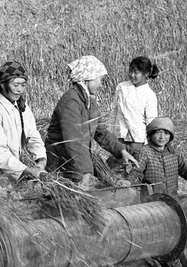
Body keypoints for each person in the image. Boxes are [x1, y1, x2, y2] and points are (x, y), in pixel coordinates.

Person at [45, 55, 139, 189]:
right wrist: (84, 173)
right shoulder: (71, 102)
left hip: (76, 164)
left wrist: (121, 150)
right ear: (88, 78)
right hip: (62, 166)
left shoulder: (90, 102)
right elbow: (73, 141)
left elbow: (101, 132)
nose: (101, 84)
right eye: (100, 79)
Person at [0, 60, 47, 187]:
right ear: (2, 84)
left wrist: (41, 161)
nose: (19, 90)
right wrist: (26, 171)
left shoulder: (22, 107)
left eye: (23, 85)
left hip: (15, 176)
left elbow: (33, 136)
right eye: (16, 85)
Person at [132, 117, 187, 196]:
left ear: (170, 136)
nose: (162, 137)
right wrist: (129, 181)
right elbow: (137, 172)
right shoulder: (144, 152)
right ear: (151, 134)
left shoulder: (173, 153)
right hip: (151, 201)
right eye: (158, 132)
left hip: (172, 199)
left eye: (166, 133)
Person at [113, 55, 159, 153]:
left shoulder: (149, 95)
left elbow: (151, 120)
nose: (132, 75)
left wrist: (151, 140)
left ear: (146, 74)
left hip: (138, 137)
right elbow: (115, 109)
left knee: (135, 159)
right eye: (131, 71)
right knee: (119, 159)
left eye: (136, 72)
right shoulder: (122, 87)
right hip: (121, 133)